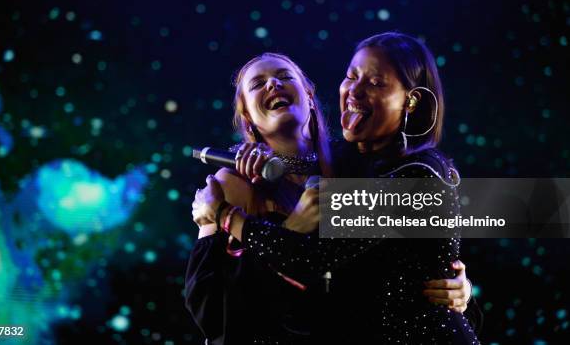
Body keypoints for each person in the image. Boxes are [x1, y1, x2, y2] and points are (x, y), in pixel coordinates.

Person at [186, 49, 479, 344]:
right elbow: (211, 314)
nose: (273, 85)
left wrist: (458, 287)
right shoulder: (232, 184)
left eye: (284, 76)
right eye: (257, 84)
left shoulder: (355, 163)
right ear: (247, 115)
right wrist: (287, 229)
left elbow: (409, 257)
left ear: (310, 97)